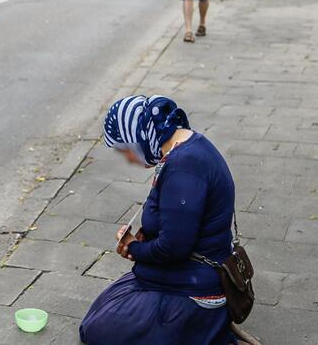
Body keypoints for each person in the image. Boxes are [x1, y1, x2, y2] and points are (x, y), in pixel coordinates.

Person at [79, 95, 235, 344]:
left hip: (196, 289)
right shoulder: (188, 146)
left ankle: (201, 327)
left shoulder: (185, 167)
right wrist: (145, 238)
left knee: (96, 330)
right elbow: (180, 222)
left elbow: (173, 248)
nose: (128, 159)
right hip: (192, 272)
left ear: (141, 137)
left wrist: (134, 248)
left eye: (126, 149)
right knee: (105, 308)